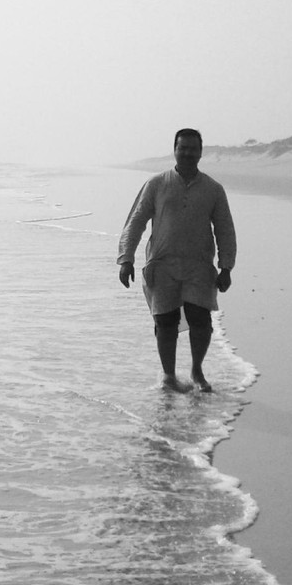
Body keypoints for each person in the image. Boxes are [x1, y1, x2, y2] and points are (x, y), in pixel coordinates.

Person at [117, 128, 237, 392]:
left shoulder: (213, 189)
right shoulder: (157, 184)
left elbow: (225, 229)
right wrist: (126, 258)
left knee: (200, 320)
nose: (187, 153)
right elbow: (136, 221)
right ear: (174, 150)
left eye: (193, 148)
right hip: (162, 264)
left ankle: (196, 370)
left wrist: (226, 266)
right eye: (182, 148)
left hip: (199, 265)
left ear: (201, 152)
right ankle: (169, 376)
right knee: (165, 322)